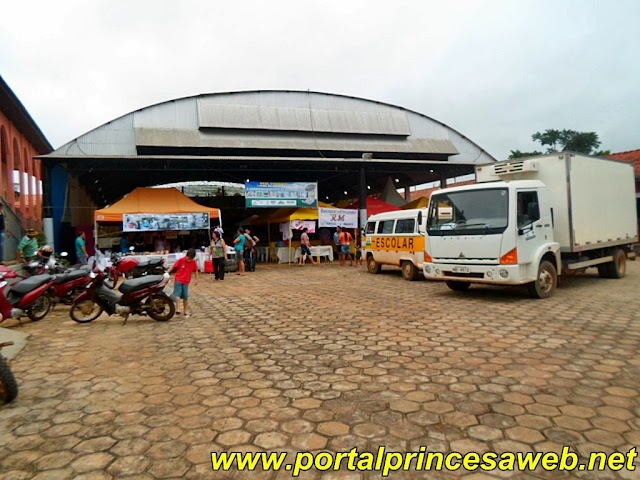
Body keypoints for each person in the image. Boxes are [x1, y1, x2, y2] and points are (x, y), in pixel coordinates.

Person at [168, 248, 198, 318]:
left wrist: (196, 279)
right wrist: (167, 272)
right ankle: (178, 308)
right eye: (188, 258)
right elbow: (173, 266)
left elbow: (196, 270)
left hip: (186, 282)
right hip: (178, 280)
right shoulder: (181, 260)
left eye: (190, 259)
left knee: (185, 297)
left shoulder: (193, 262)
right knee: (177, 295)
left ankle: (185, 310)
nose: (189, 260)